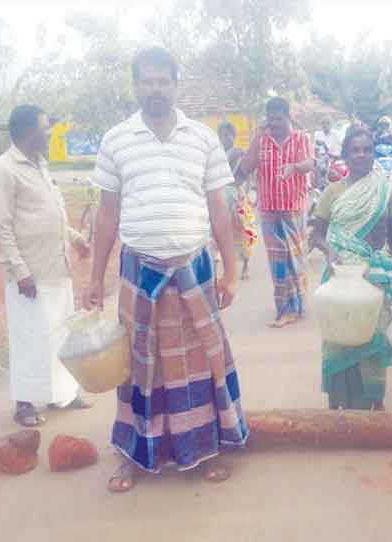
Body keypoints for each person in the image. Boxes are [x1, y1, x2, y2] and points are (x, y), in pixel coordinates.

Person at [83, 47, 249, 493]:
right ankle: (136, 455)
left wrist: (230, 271)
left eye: (163, 81)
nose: (155, 89)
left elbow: (220, 210)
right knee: (140, 367)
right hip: (139, 271)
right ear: (135, 85)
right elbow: (106, 215)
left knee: (198, 363)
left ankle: (200, 453)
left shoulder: (203, 138)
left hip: (192, 269)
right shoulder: (116, 140)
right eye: (147, 81)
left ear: (176, 84)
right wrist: (95, 278)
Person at [0, 104, 91, 428]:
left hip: (57, 267)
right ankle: (25, 403)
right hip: (29, 274)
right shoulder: (3, 170)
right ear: (27, 131)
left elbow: (50, 213)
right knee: (29, 337)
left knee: (60, 333)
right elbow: (0, 228)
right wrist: (20, 272)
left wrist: (75, 238)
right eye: (45, 128)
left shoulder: (40, 165)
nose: (49, 133)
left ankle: (63, 394)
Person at [310, 126, 392, 410]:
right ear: (345, 155)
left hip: (375, 275)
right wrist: (329, 252)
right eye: (355, 150)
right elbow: (316, 234)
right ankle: (337, 399)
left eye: (367, 149)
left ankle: (374, 399)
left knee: (373, 337)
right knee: (338, 335)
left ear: (374, 154)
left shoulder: (384, 191)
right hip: (340, 274)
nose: (361, 155)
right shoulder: (332, 192)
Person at [240, 97, 315, 328]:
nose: (274, 124)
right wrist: (255, 138)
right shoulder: (261, 141)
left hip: (293, 209)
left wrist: (294, 167)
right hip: (270, 211)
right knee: (277, 262)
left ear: (288, 116)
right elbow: (245, 167)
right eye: (270, 119)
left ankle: (297, 304)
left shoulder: (301, 138)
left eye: (278, 119)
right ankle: (285, 307)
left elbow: (310, 163)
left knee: (295, 258)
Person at [218, 121, 258, 280]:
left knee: (244, 229)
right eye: (222, 135)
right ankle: (226, 269)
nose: (225, 138)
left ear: (234, 136)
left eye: (228, 135)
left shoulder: (239, 153)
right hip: (221, 195)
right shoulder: (217, 154)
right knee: (221, 232)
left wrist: (248, 192)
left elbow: (249, 176)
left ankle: (246, 265)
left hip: (238, 195)